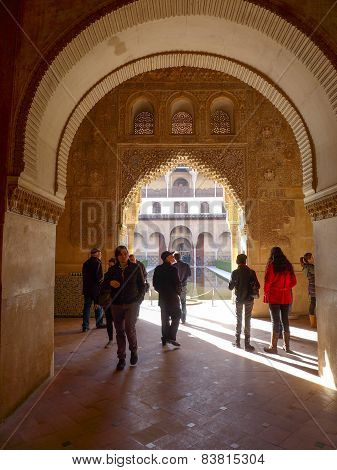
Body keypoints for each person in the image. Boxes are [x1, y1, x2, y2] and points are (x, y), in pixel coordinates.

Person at [105, 246, 146, 371]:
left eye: (126, 253)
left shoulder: (135, 268)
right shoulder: (112, 270)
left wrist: (138, 301)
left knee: (129, 328)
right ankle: (121, 358)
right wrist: (110, 283)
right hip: (116, 304)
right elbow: (103, 284)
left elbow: (142, 285)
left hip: (132, 303)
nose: (124, 256)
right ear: (117, 256)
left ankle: (133, 350)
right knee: (119, 331)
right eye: (121, 254)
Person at [263, 247, 297, 354]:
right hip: (286, 296)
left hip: (274, 296)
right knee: (285, 320)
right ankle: (287, 347)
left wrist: (266, 292)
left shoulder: (272, 266)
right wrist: (286, 287)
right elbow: (294, 282)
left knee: (275, 321)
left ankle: (273, 347)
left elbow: (268, 282)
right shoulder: (288, 266)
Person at [228, 253, 260, 351]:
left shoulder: (235, 272)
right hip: (249, 299)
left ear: (238, 261)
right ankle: (247, 344)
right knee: (247, 320)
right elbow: (258, 286)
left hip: (239, 300)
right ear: (245, 261)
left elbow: (230, 287)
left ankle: (237, 342)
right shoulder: (251, 272)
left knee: (239, 319)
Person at [153, 251, 182, 347]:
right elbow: (177, 284)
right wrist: (178, 293)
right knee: (177, 317)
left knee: (165, 320)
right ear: (167, 258)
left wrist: (162, 292)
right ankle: (171, 337)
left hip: (163, 298)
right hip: (173, 298)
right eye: (171, 256)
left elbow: (155, 284)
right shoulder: (173, 269)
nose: (173, 257)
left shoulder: (158, 269)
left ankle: (165, 337)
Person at [81, 248, 105, 332]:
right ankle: (99, 323)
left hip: (87, 289)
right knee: (98, 306)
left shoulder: (85, 263)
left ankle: (85, 326)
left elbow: (84, 277)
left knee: (87, 307)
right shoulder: (98, 263)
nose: (101, 256)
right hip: (95, 289)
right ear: (97, 254)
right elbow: (100, 278)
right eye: (100, 254)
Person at [102, 257, 116, 348]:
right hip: (108, 301)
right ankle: (110, 339)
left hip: (117, 301)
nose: (110, 267)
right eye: (109, 265)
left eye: (112, 265)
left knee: (118, 322)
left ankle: (119, 338)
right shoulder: (107, 274)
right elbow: (103, 287)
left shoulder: (120, 274)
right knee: (109, 320)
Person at [174, 252, 191, 323]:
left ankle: (177, 317)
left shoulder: (173, 266)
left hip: (175, 287)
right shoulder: (186, 265)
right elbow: (189, 274)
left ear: (175, 258)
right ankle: (183, 319)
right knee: (183, 302)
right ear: (180, 257)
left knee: (176, 303)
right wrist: (183, 278)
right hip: (183, 286)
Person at [300, 253, 316, 328]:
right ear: (309, 259)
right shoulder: (311, 267)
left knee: (313, 303)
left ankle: (313, 323)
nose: (313, 258)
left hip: (311, 287)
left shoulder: (306, 267)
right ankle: (314, 323)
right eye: (312, 257)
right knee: (314, 304)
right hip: (316, 288)